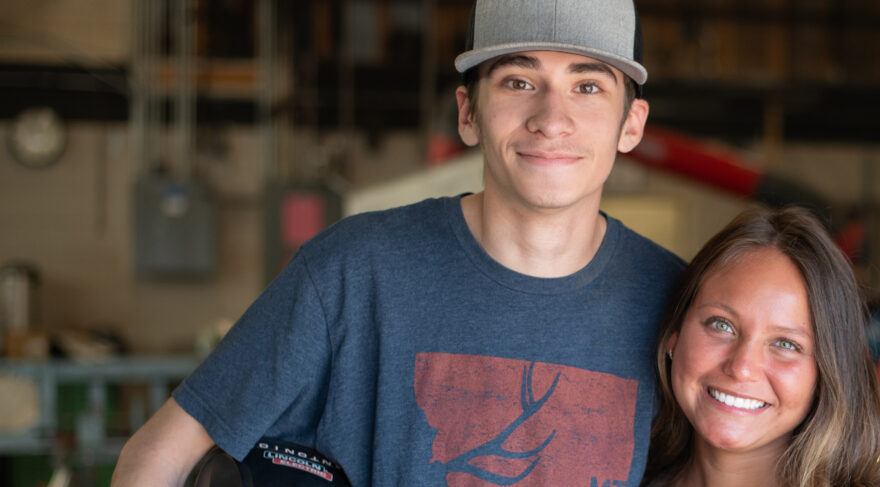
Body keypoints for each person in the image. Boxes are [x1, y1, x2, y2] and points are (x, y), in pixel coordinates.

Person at [113, 0, 684, 485]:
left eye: (587, 86)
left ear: (631, 125)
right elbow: (155, 460)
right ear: (468, 114)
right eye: (518, 81)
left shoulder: (677, 306)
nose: (551, 117)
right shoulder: (350, 271)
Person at [643, 207, 880, 487]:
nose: (742, 368)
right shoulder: (619, 478)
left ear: (826, 375)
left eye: (785, 344)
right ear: (674, 335)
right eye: (722, 325)